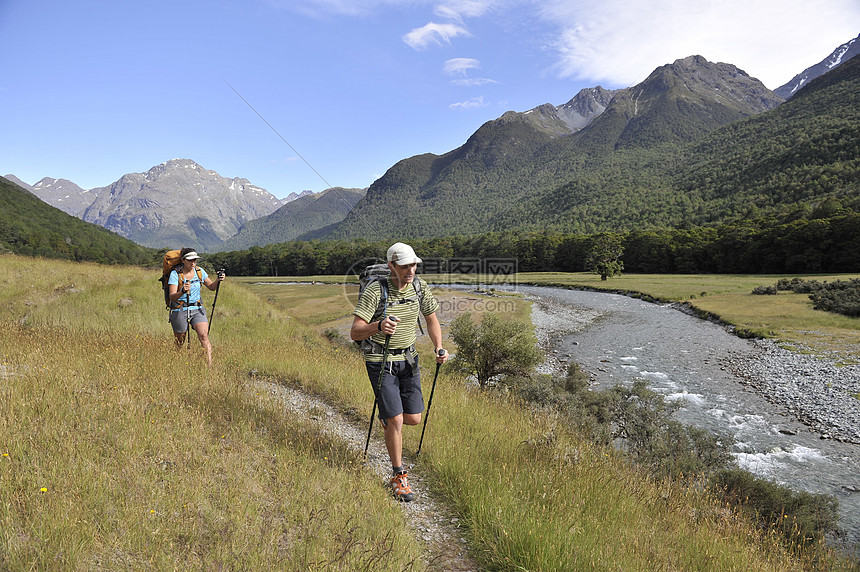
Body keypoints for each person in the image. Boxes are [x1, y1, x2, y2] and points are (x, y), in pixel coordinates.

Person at [350, 242, 449, 502]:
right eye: (405, 266)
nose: (411, 270)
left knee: (413, 418)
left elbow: (431, 318)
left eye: (414, 265)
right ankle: (398, 475)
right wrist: (379, 326)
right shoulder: (375, 290)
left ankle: (389, 413)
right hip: (379, 360)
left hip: (409, 358)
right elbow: (355, 332)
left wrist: (439, 347)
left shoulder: (419, 287)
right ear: (391, 266)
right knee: (395, 421)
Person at [167, 248, 225, 366]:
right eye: (190, 260)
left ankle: (209, 366)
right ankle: (174, 363)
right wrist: (182, 291)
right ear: (183, 260)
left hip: (197, 309)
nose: (193, 263)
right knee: (180, 341)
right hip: (180, 308)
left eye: (195, 260)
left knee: (204, 336)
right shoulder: (175, 274)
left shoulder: (199, 271)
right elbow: (172, 297)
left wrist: (218, 280)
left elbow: (211, 287)